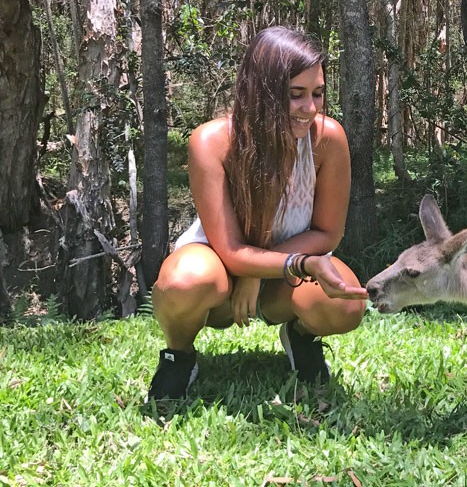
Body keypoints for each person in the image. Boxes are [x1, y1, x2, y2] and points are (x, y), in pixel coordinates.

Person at [147, 26, 369, 402]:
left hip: (289, 269)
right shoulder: (211, 141)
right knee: (183, 283)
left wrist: (291, 265)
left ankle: (300, 336)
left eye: (317, 93)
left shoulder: (327, 139)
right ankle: (179, 355)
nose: (310, 108)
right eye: (295, 95)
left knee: (346, 305)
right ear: (261, 92)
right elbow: (231, 250)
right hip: (220, 270)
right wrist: (253, 271)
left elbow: (327, 233)